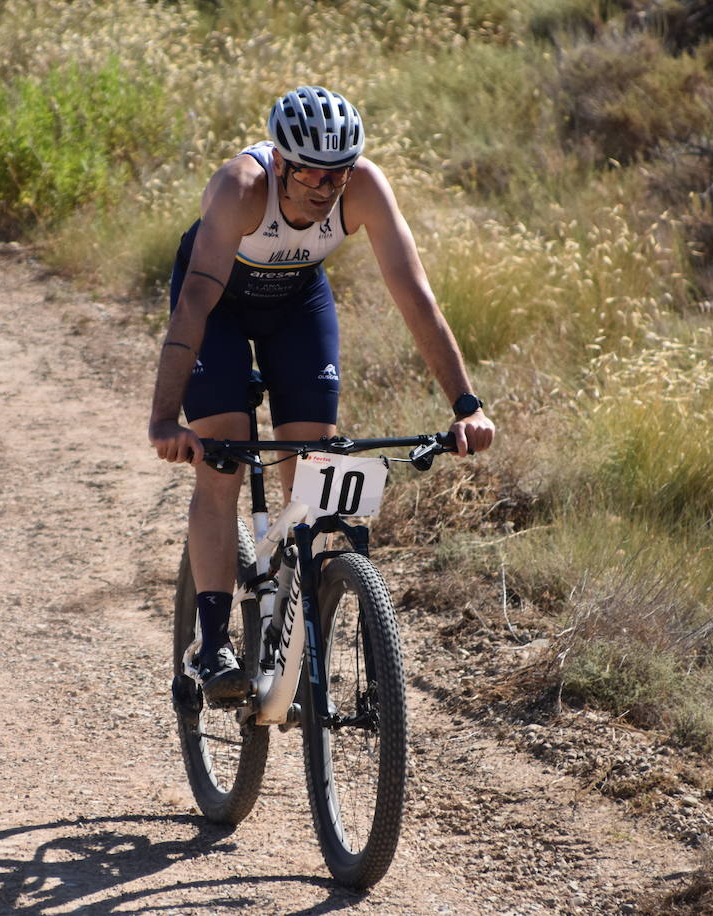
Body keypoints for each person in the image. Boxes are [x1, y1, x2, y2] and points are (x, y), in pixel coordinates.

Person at [148, 86, 495, 704]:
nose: (323, 186)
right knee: (222, 460)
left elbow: (415, 296)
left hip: (295, 304)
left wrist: (466, 406)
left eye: (336, 173)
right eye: (308, 171)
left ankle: (293, 620)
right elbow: (195, 303)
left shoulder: (364, 187)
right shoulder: (239, 188)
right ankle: (212, 643)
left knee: (311, 469)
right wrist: (165, 418)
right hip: (218, 307)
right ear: (280, 161)